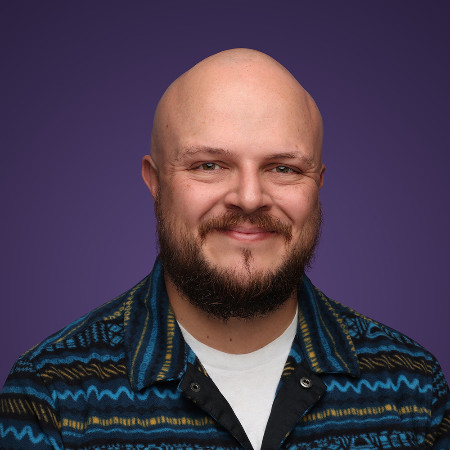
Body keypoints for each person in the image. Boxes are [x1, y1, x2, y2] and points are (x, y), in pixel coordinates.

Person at [0, 48, 449, 450]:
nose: (249, 198)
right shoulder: (49, 395)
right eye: (210, 165)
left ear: (317, 184)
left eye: (283, 168)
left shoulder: (413, 388)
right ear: (155, 183)